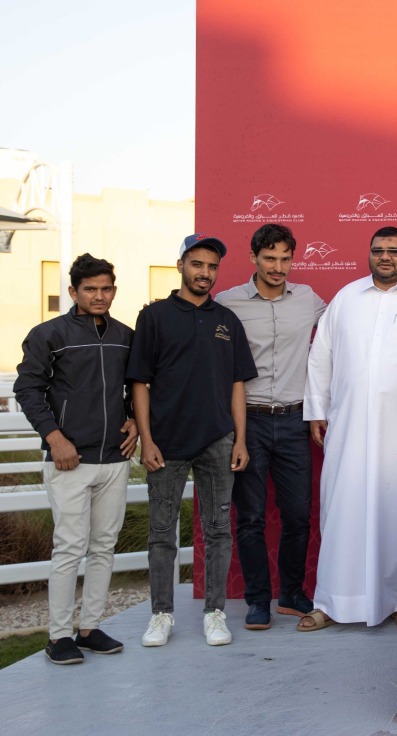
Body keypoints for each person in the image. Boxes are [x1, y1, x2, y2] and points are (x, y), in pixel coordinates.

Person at [301, 226, 397, 631]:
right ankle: (331, 602)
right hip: (349, 426)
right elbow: (322, 357)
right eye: (378, 251)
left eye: (393, 251)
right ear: (368, 254)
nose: (385, 257)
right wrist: (317, 409)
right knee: (343, 509)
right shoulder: (346, 299)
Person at [127, 234, 257, 647]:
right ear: (181, 264)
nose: (205, 273)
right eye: (197, 264)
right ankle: (161, 615)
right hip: (165, 442)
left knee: (219, 529)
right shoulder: (155, 317)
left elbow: (238, 384)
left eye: (212, 266)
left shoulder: (227, 320)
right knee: (162, 531)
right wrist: (146, 439)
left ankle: (215, 613)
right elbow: (140, 383)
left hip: (217, 441)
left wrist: (239, 439)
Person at [15, 254, 138, 664]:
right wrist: (54, 437)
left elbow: (136, 388)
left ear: (114, 291)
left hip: (114, 458)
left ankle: (89, 628)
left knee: (104, 546)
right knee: (69, 547)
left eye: (106, 289)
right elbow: (28, 389)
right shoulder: (49, 334)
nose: (99, 296)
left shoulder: (125, 335)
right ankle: (57, 636)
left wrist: (135, 420)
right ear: (74, 292)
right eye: (90, 289)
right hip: (69, 459)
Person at [214, 223, 327, 631]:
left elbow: (341, 335)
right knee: (250, 518)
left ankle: (292, 594)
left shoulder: (310, 300)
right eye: (269, 258)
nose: (278, 267)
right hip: (250, 422)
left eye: (285, 259)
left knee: (298, 515)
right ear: (253, 258)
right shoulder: (228, 303)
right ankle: (258, 600)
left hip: (296, 421)